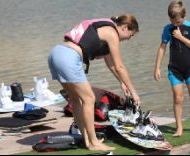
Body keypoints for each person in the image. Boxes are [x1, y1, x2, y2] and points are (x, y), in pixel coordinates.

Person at [48, 14, 141, 151]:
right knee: (89, 99)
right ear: (125, 27)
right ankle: (93, 142)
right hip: (69, 57)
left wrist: (123, 83)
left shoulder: (105, 30)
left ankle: (87, 139)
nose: (128, 39)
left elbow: (112, 65)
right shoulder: (112, 33)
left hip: (56, 53)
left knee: (76, 99)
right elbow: (120, 66)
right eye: (130, 35)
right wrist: (134, 93)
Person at [154, 0, 190, 137]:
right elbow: (162, 48)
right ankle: (179, 128)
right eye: (173, 22)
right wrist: (157, 67)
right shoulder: (167, 29)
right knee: (178, 98)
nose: (176, 25)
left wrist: (180, 37)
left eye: (178, 22)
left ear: (184, 17)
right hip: (174, 69)